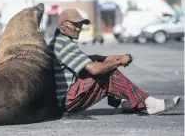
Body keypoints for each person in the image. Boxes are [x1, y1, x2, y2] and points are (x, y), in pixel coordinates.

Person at [48, 9, 182, 115]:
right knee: (108, 73)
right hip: (68, 101)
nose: (78, 28)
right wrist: (119, 62)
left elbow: (90, 58)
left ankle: (126, 102)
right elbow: (95, 69)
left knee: (102, 66)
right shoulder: (65, 45)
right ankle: (149, 104)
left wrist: (114, 58)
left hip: (60, 101)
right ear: (62, 25)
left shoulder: (58, 42)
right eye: (74, 24)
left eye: (80, 25)